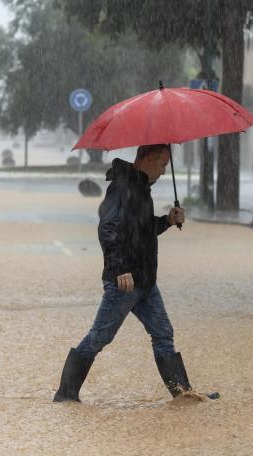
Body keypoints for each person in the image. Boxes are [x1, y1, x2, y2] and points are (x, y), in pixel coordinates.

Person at [53, 144, 219, 403]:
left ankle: (183, 394)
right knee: (100, 336)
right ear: (149, 160)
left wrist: (166, 220)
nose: (164, 171)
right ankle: (65, 395)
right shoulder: (122, 188)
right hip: (125, 282)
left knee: (163, 333)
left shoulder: (141, 188)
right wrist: (121, 269)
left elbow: (140, 232)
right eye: (163, 164)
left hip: (145, 281)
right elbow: (108, 229)